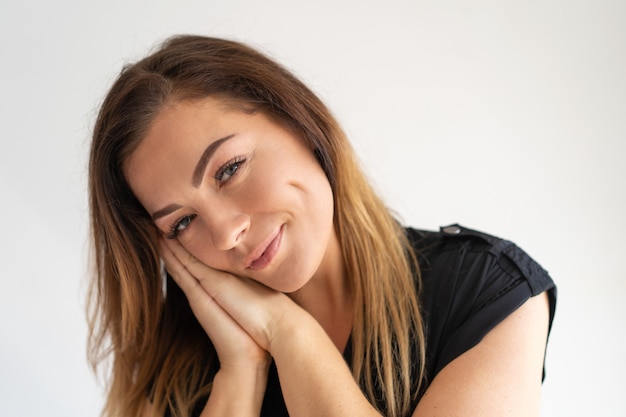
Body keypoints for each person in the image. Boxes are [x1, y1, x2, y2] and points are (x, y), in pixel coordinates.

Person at [87, 35, 556, 417]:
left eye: (229, 169)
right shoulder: (179, 371)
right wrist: (241, 372)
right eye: (183, 221)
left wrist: (289, 333)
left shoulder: (487, 293)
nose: (226, 232)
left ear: (300, 122)